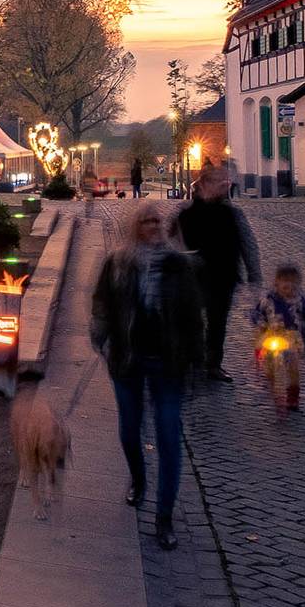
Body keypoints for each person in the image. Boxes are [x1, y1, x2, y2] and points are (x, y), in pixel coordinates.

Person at [89, 200, 205, 549]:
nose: (154, 226)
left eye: (158, 221)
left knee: (169, 437)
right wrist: (100, 338)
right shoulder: (118, 264)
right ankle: (139, 479)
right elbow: (102, 304)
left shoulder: (178, 265)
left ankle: (164, 516)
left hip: (168, 363)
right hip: (128, 359)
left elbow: (192, 317)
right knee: (129, 428)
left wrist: (196, 361)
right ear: (134, 227)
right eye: (147, 221)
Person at [174, 167, 260, 383]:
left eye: (226, 180)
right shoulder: (186, 211)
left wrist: (254, 273)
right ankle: (190, 360)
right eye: (217, 180)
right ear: (202, 184)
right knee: (191, 320)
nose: (224, 183)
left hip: (224, 276)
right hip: (192, 277)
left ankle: (213, 365)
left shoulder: (232, 213)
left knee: (218, 321)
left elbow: (248, 243)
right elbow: (170, 241)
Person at [253, 263, 305, 412]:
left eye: (293, 281)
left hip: (292, 337)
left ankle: (293, 395)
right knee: (268, 360)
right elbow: (257, 313)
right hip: (272, 334)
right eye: (285, 280)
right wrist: (261, 323)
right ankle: (270, 378)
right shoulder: (268, 299)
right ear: (277, 282)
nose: (288, 285)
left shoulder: (301, 301)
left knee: (293, 366)